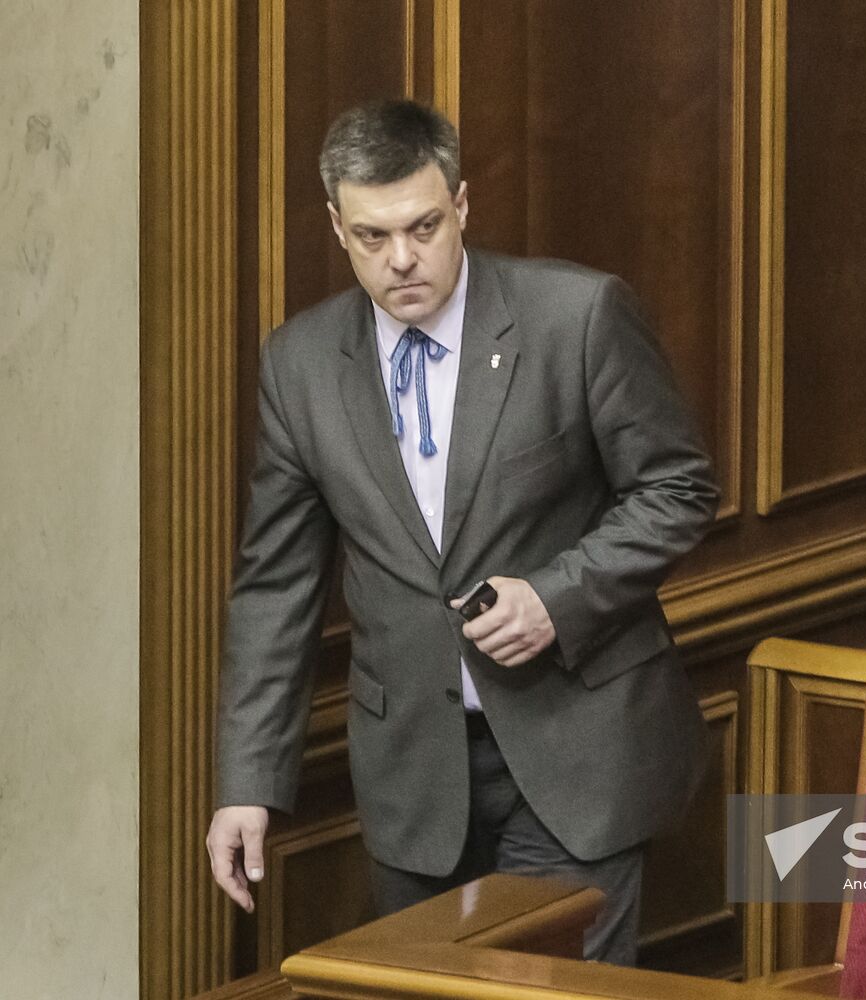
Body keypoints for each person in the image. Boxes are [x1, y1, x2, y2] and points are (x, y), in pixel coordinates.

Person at [205, 100, 719, 965]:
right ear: (336, 226)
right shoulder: (298, 364)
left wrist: (557, 597)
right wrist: (248, 783)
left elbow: (678, 486)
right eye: (372, 237)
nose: (401, 259)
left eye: (424, 226)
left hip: (576, 749)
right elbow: (276, 586)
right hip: (414, 772)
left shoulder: (577, 316)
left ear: (463, 206)